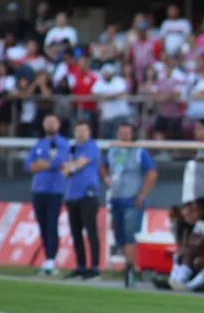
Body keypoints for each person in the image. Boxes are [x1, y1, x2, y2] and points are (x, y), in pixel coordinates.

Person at [102, 122, 158, 288]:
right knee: (119, 234)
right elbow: (103, 166)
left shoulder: (140, 152)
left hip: (132, 200)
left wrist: (142, 194)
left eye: (127, 133)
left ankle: (130, 269)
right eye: (121, 132)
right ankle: (128, 266)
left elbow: (152, 173)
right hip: (116, 198)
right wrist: (107, 179)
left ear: (132, 135)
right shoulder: (112, 150)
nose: (123, 136)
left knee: (128, 234)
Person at [23, 114, 69, 275]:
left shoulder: (62, 143)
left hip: (55, 190)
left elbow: (59, 163)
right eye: (47, 122)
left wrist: (42, 164)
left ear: (58, 124)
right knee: (42, 224)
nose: (50, 124)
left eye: (53, 122)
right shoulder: (39, 144)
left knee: (51, 223)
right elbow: (27, 165)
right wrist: (44, 165)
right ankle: (48, 257)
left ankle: (51, 258)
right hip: (38, 189)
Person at [62, 120, 102, 279]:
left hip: (88, 195)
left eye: (83, 130)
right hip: (72, 195)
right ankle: (81, 265)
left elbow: (77, 165)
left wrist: (71, 167)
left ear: (89, 132)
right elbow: (65, 171)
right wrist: (70, 167)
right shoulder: (72, 148)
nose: (80, 134)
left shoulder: (92, 147)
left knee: (91, 232)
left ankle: (95, 266)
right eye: (78, 130)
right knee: (76, 233)